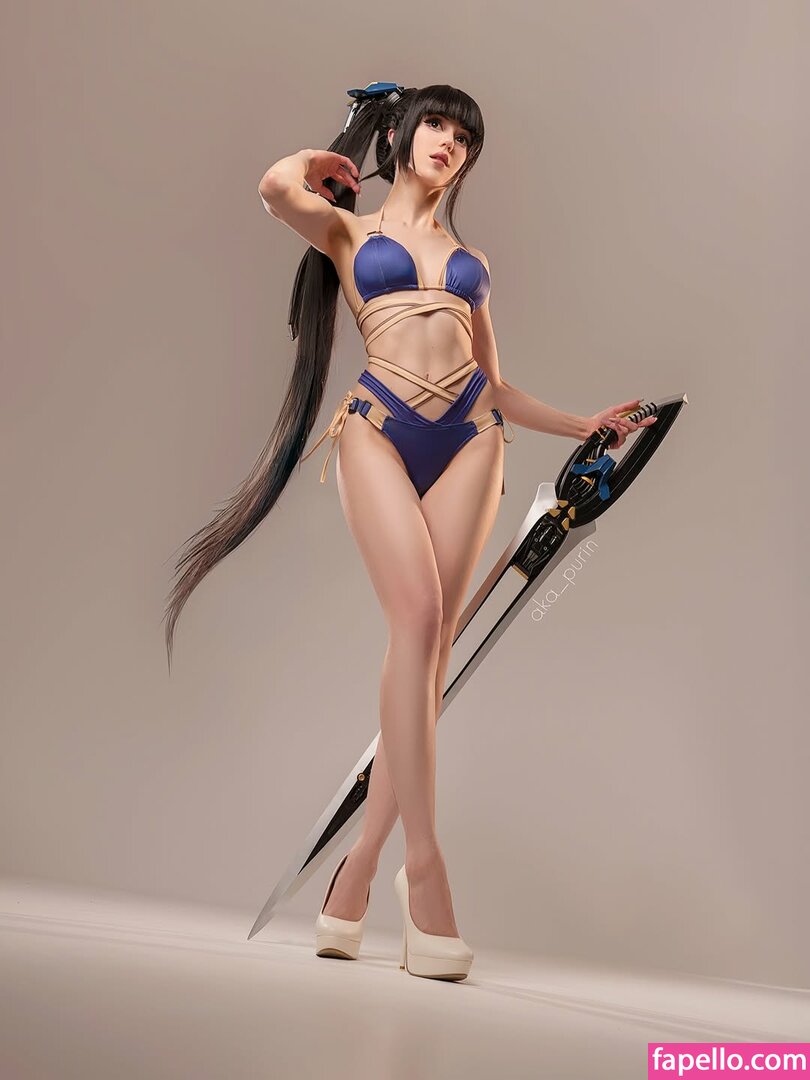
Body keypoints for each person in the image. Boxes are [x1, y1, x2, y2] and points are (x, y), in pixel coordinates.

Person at [163, 84, 654, 981]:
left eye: (465, 136)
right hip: (377, 428)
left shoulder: (472, 261)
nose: (449, 143)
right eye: (436, 124)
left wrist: (583, 424)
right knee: (418, 622)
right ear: (400, 133)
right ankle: (423, 871)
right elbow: (275, 190)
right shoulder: (349, 233)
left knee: (430, 658)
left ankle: (353, 873)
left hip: (472, 438)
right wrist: (320, 160)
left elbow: (495, 384)